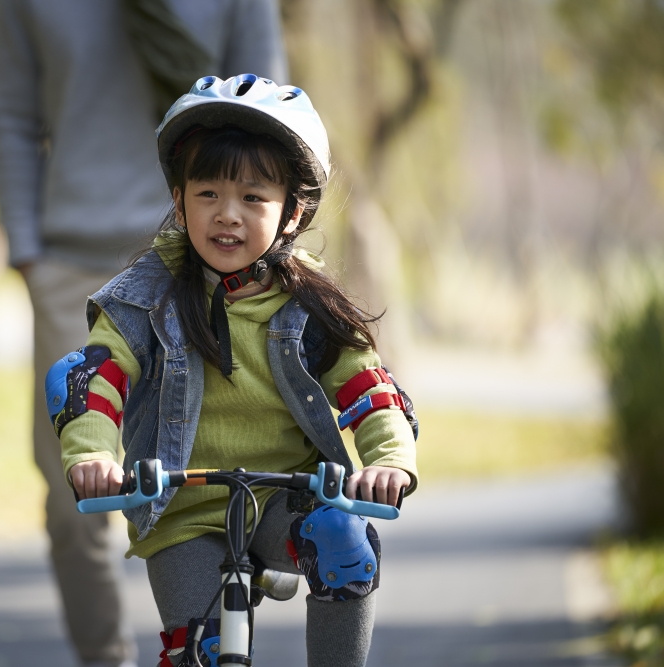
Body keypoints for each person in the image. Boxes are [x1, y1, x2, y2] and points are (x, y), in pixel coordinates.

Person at [46, 75, 419, 667]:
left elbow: (369, 388)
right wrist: (91, 456)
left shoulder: (308, 306)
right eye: (208, 193)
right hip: (183, 511)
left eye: (253, 198)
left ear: (292, 213)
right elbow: (96, 377)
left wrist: (388, 461)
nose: (227, 215)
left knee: (346, 545)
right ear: (178, 201)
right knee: (198, 652)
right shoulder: (149, 296)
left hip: (282, 502)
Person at [0, 3, 287, 666]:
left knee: (231, 471)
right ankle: (104, 656)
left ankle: (229, 611)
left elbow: (271, 111)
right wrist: (29, 253)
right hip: (72, 262)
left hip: (210, 251)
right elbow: (12, 114)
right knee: (76, 491)